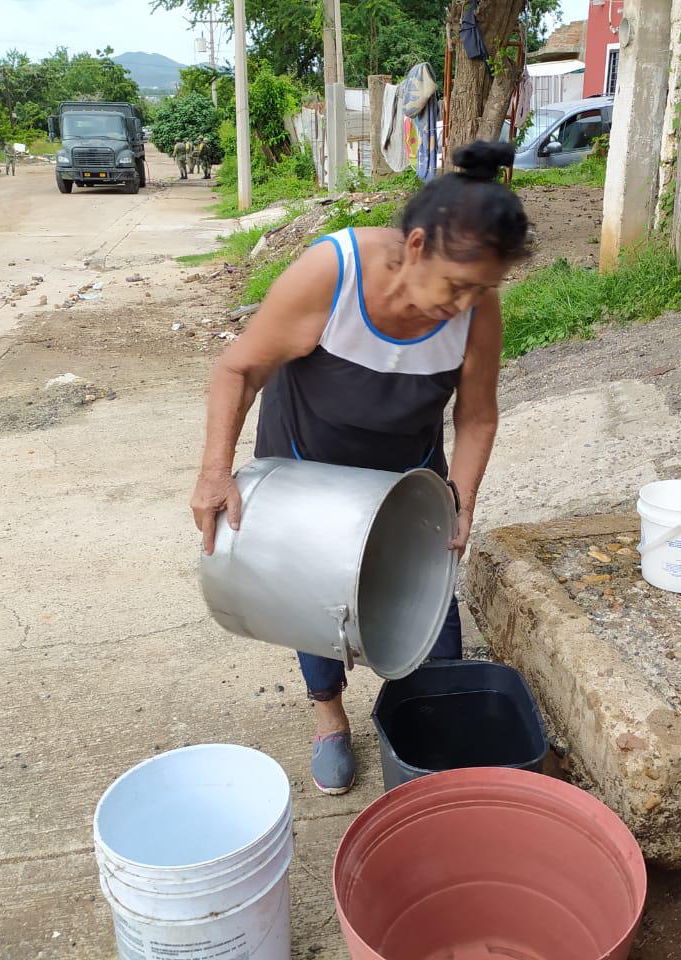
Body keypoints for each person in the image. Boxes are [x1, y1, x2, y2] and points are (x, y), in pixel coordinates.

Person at [190, 142, 529, 795]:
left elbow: (478, 415)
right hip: (308, 462)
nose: (464, 305)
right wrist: (214, 470)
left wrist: (460, 497)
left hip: (406, 476)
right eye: (457, 286)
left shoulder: (477, 310)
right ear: (418, 243)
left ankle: (427, 725)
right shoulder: (332, 273)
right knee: (311, 598)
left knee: (432, 624)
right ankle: (328, 716)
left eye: (480, 290)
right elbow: (240, 367)